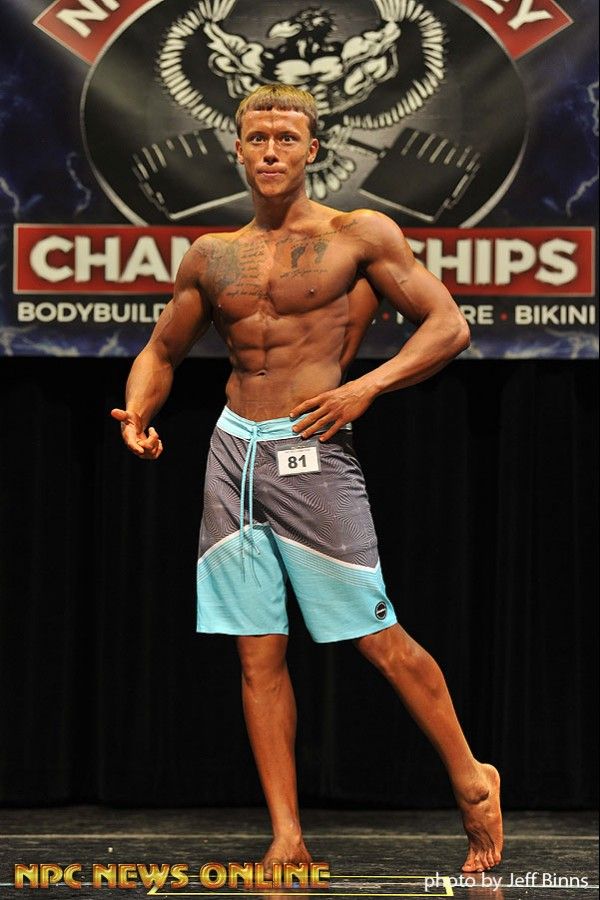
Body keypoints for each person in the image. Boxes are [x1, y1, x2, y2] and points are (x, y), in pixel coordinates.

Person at [112, 83, 503, 874]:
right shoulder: (210, 254)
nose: (270, 151)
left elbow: (448, 325)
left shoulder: (357, 235)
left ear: (312, 151)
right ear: (237, 149)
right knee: (257, 656)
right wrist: (139, 413)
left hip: (312, 448)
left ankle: (472, 779)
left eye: (286, 138)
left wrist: (367, 388)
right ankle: (287, 834)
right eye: (257, 138)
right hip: (233, 453)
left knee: (377, 639)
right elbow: (161, 350)